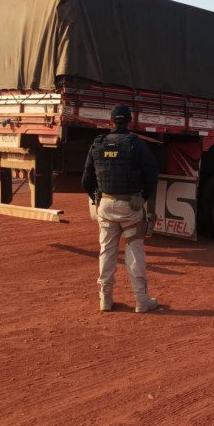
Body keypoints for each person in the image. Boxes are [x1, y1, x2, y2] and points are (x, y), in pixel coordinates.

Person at [82, 104, 160, 313]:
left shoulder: (97, 144)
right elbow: (152, 174)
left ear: (111, 121)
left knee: (106, 251)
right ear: (130, 121)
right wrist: (143, 197)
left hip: (105, 205)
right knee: (134, 251)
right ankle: (141, 301)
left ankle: (105, 300)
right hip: (131, 207)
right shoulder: (136, 144)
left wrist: (97, 199)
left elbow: (86, 180)